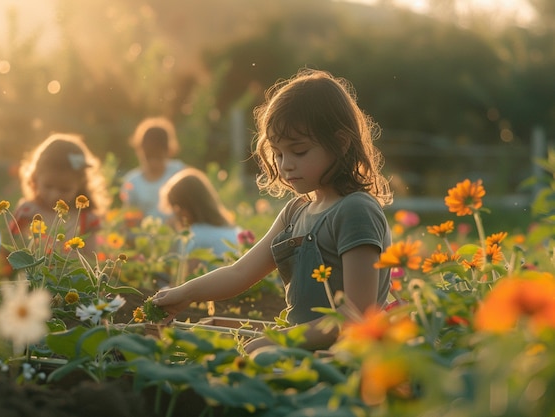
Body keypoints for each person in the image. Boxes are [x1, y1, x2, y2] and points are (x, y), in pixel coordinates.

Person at [152, 68, 393, 354]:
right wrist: (184, 294)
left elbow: (356, 318)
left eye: (299, 151)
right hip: (298, 348)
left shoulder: (355, 211)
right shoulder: (296, 212)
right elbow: (240, 272)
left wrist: (274, 341)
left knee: (253, 358)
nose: (285, 164)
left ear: (340, 143)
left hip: (342, 360)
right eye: (278, 153)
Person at [9, 133, 110, 252]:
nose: (55, 195)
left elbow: (91, 259)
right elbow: (11, 249)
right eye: (48, 186)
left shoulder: (86, 218)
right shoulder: (28, 212)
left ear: (81, 185)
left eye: (65, 189)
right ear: (35, 178)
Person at [159, 167, 241, 279]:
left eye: (175, 208)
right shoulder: (235, 231)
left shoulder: (196, 235)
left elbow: (186, 283)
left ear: (183, 208)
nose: (175, 215)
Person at [120, 117, 186, 222]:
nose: (153, 162)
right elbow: (128, 219)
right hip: (143, 237)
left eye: (158, 157)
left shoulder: (178, 173)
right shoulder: (132, 182)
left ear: (168, 151)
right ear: (140, 151)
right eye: (149, 156)